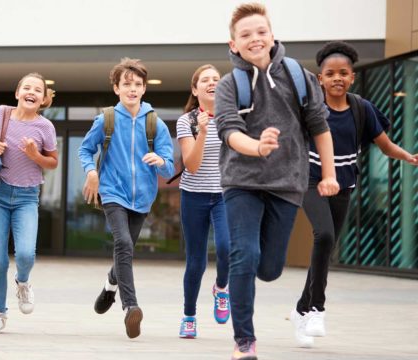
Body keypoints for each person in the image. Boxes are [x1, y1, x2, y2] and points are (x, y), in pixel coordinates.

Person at [215, 3, 340, 359]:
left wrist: (329, 175)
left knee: (268, 269)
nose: (255, 39)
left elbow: (319, 126)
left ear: (271, 35)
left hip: (287, 184)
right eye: (246, 35)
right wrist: (257, 146)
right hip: (242, 182)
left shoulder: (298, 76)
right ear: (234, 44)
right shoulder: (229, 85)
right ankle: (244, 341)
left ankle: (240, 283)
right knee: (244, 254)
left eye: (261, 32)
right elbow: (229, 133)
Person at [290, 41, 418, 348]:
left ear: (352, 78)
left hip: (344, 184)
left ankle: (300, 311)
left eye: (343, 73)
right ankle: (317, 308)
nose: (337, 78)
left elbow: (385, 145)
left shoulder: (362, 108)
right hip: (309, 180)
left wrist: (410, 156)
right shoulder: (310, 109)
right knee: (323, 236)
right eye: (330, 73)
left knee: (328, 245)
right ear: (319, 78)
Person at [79, 58, 174, 339]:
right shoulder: (105, 119)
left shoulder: (155, 123)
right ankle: (130, 306)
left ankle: (110, 285)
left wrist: (160, 160)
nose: (132, 89)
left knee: (126, 248)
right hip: (112, 191)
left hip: (143, 197)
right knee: (122, 243)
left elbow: (170, 167)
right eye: (126, 84)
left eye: (137, 84)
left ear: (144, 89)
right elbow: (85, 150)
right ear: (116, 88)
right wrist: (91, 173)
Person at [0, 73, 58, 334]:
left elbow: (53, 162)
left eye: (38, 89)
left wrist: (35, 155)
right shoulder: (1, 113)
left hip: (27, 197)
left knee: (25, 253)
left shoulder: (45, 127)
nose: (31, 92)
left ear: (43, 99)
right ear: (17, 93)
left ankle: (22, 282)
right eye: (27, 87)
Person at [176, 64, 230, 339]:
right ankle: (189, 315)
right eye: (205, 80)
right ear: (195, 89)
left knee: (225, 247)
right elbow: (192, 165)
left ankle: (221, 288)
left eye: (217, 79)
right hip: (194, 195)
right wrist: (204, 132)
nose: (212, 83)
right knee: (195, 262)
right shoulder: (186, 121)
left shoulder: (233, 118)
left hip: (224, 195)